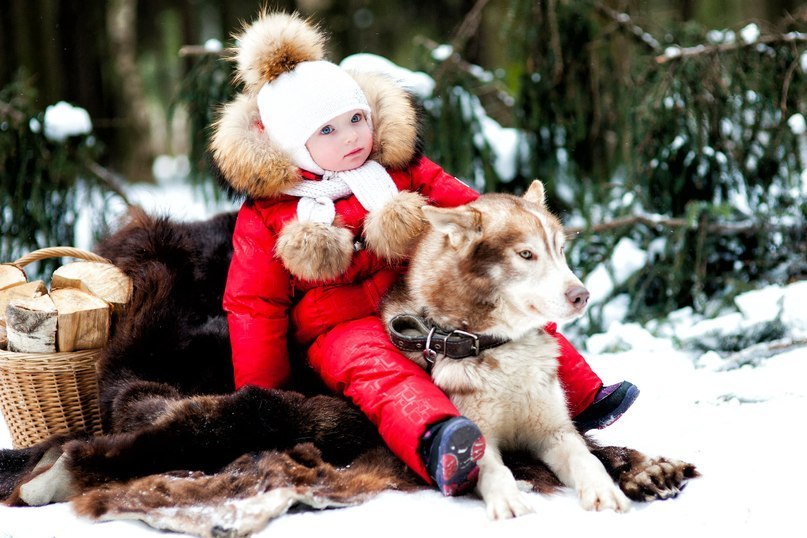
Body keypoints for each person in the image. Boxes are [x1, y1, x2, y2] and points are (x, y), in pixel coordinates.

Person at [211, 12, 638, 497]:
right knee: (381, 373)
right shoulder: (268, 214)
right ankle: (439, 440)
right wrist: (265, 401)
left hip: (417, 300)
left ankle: (580, 392)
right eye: (327, 132)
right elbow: (253, 305)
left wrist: (498, 231)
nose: (352, 137)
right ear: (292, 144)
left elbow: (471, 210)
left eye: (356, 119)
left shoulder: (400, 169)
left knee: (509, 311)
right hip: (339, 331)